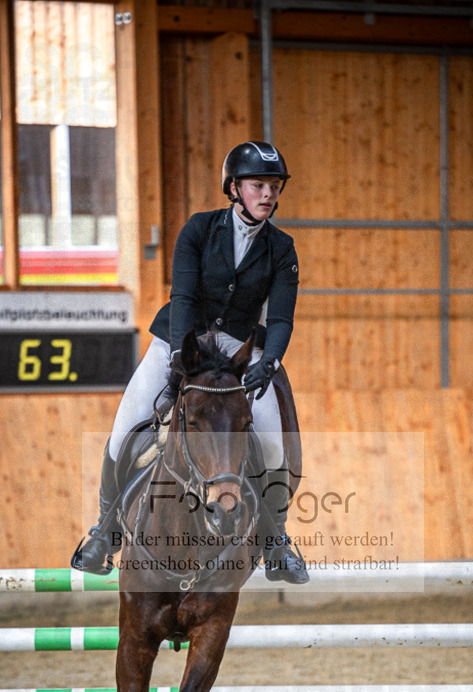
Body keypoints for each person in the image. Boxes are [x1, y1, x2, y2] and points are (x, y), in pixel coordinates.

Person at [71, 140, 308, 585]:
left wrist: (270, 361)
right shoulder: (199, 230)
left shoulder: (282, 248)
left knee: (274, 446)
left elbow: (280, 319)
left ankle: (275, 540)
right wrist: (181, 353)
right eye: (258, 185)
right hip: (180, 342)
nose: (268, 194)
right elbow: (181, 295)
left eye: (274, 187)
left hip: (239, 351)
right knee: (125, 430)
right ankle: (105, 531)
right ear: (234, 188)